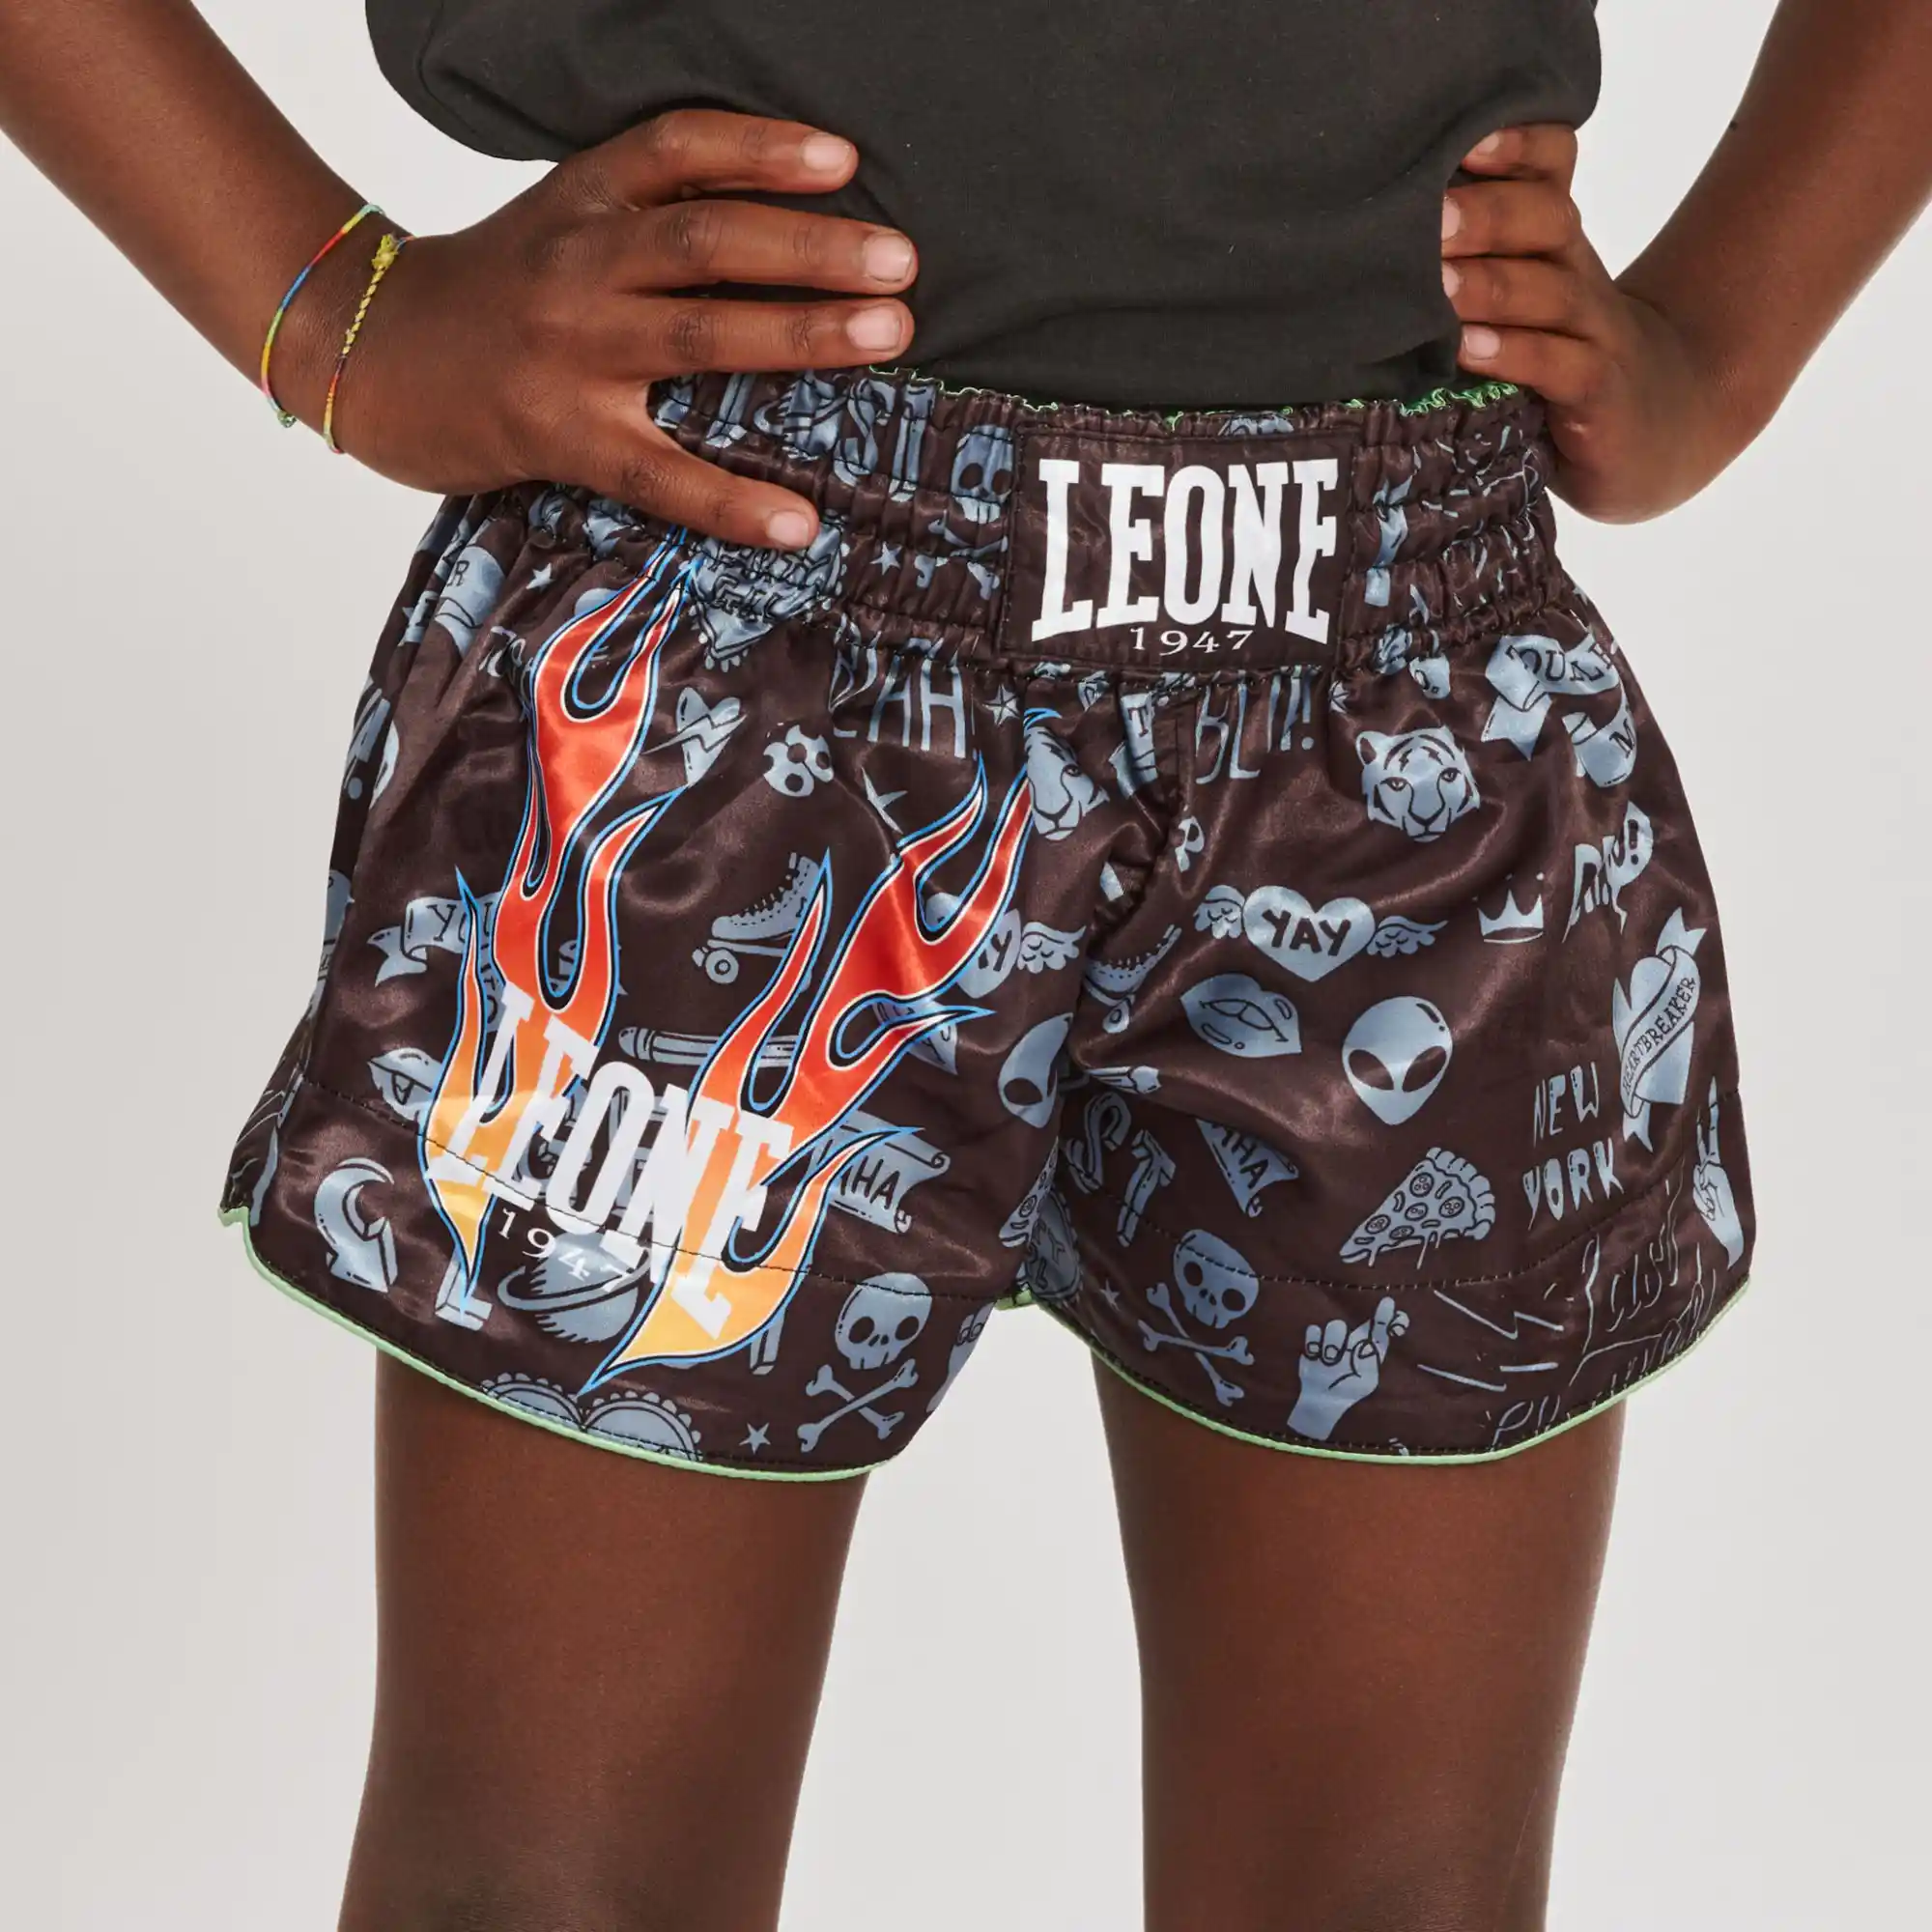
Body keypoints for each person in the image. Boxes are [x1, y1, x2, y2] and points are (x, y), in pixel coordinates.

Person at [4, 3, 1926, 1926]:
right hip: (734, 623)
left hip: (1403, 664)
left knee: (1390, 1898)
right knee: (547, 1888)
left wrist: (1719, 339)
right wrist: (328, 311)